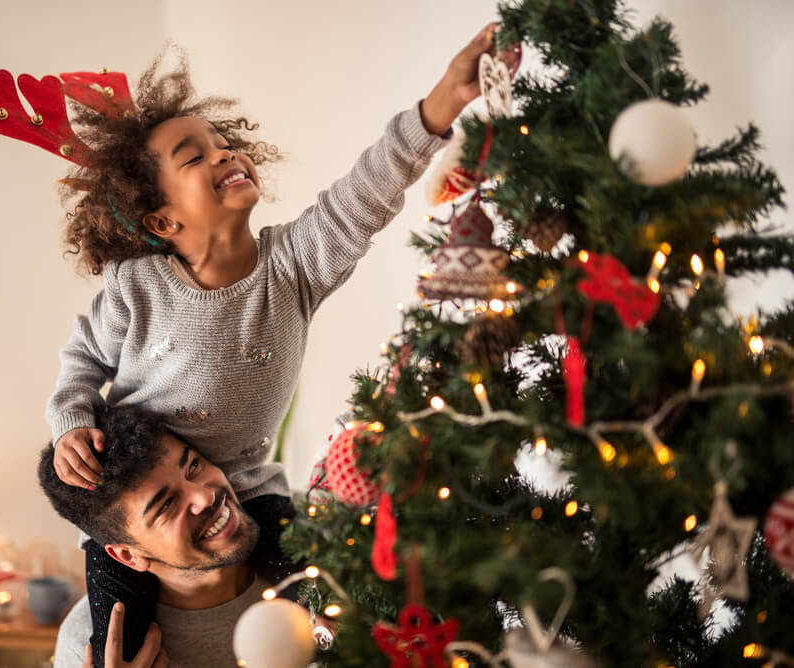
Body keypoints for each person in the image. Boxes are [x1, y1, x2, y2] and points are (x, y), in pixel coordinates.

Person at [40, 23, 517, 665]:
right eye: (194, 157)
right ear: (162, 220)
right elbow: (82, 357)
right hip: (133, 485)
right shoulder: (138, 284)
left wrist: (440, 107)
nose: (224, 155)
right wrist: (70, 420)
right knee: (114, 643)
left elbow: (366, 192)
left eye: (223, 144)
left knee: (320, 593)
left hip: (252, 487)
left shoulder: (292, 267)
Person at [39, 403, 284, 668]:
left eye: (193, 467)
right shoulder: (84, 647)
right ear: (128, 555)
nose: (205, 496)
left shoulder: (317, 569)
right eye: (166, 505)